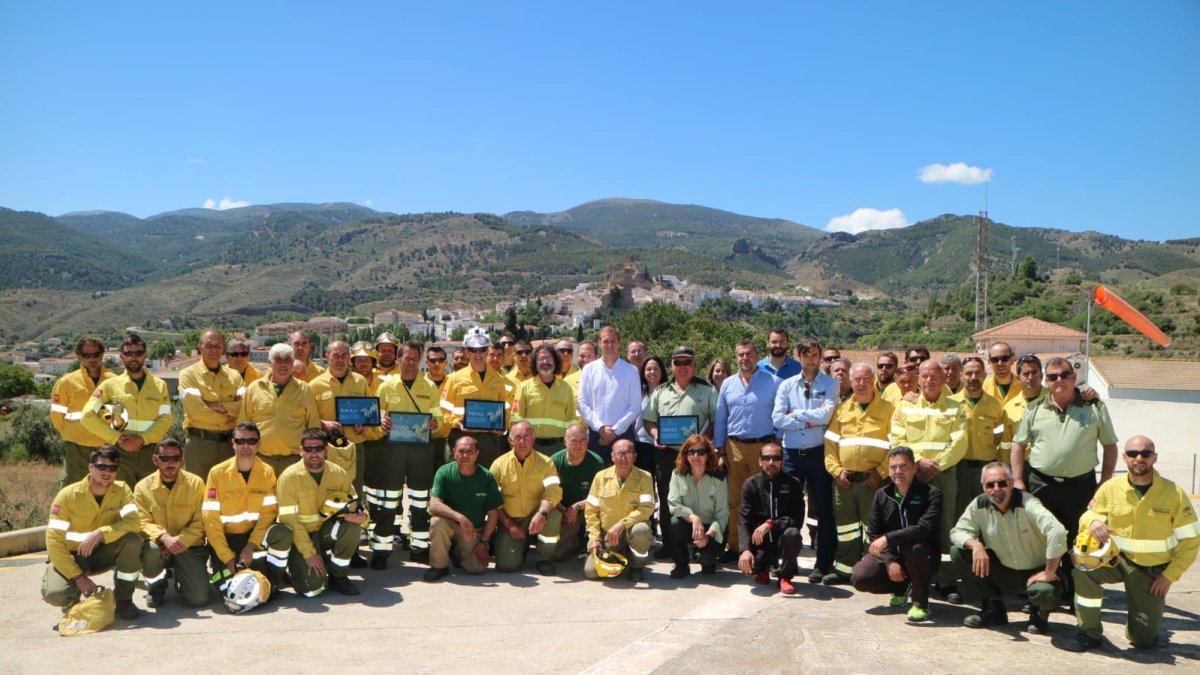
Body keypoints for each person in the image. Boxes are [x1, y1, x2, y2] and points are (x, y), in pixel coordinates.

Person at [1065, 435, 1199, 652]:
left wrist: (1169, 576)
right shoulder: (1110, 488)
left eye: (1145, 453)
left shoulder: (1174, 493)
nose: (1139, 458)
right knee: (1083, 570)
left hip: (1151, 570)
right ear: (1125, 457)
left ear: (1154, 457)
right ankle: (1088, 632)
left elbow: (1191, 539)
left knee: (1144, 641)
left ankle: (1138, 624)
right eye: (1133, 453)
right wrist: (1094, 522)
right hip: (1115, 560)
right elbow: (1088, 515)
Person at [1011, 357, 1118, 591]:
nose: (1059, 380)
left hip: (1080, 486)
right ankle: (1039, 593)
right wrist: (1018, 479)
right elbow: (1018, 445)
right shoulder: (1034, 408)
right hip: (1041, 484)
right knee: (1039, 538)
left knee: (1078, 540)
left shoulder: (1094, 407)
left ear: (1073, 377)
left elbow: (1110, 446)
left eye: (1064, 374)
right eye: (1052, 376)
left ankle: (1073, 593)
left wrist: (1104, 484)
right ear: (1046, 381)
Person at [950, 461, 1066, 633]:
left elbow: (1057, 530)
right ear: (983, 486)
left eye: (1002, 483)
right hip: (1003, 571)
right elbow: (957, 532)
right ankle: (993, 609)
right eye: (990, 484)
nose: (996, 488)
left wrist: (1049, 572)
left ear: (1011, 483)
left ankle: (1039, 613)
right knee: (958, 552)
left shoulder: (1028, 503)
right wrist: (975, 545)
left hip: (1035, 573)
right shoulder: (979, 504)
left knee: (1045, 592)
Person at [889, 358, 968, 600]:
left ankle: (946, 581)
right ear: (918, 379)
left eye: (934, 376)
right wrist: (918, 463)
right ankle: (911, 579)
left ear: (944, 379)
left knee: (945, 527)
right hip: (912, 476)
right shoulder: (904, 407)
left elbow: (960, 442)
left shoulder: (956, 408)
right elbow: (897, 439)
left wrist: (937, 465)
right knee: (910, 526)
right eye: (924, 376)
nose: (929, 380)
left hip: (943, 475)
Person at [42, 446, 143, 620]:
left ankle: (124, 600)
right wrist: (79, 577)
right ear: (90, 467)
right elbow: (54, 542)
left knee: (132, 541)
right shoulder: (67, 496)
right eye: (101, 466)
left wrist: (101, 533)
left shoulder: (122, 491)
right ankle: (71, 600)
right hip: (73, 557)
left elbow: (134, 522)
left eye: (112, 468)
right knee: (55, 594)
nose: (107, 472)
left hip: (102, 554)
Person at [268, 428, 368, 597]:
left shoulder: (338, 473)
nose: (313, 454)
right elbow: (290, 520)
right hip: (300, 537)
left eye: (319, 448)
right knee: (312, 590)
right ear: (301, 451)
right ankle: (294, 566)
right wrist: (309, 554)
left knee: (352, 526)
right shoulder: (289, 477)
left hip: (323, 533)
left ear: (326, 450)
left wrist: (363, 517)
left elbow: (355, 503)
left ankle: (338, 576)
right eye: (308, 449)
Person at [771, 336, 837, 583]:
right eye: (805, 355)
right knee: (787, 509)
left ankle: (822, 564)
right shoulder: (787, 385)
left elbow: (826, 415)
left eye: (814, 354)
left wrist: (796, 414)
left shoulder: (830, 384)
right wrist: (810, 419)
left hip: (818, 453)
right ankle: (789, 562)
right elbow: (778, 419)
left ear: (820, 357)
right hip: (791, 455)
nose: (810, 359)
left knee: (824, 510)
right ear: (798, 357)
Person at [851, 446, 942, 622]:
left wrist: (888, 538)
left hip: (923, 555)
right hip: (893, 553)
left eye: (903, 466)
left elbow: (924, 528)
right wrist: (889, 561)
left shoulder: (932, 494)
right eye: (893, 467)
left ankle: (921, 603)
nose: (898, 471)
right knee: (860, 577)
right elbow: (874, 532)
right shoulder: (882, 494)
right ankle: (901, 587)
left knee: (915, 548)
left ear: (915, 468)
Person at [374, 340, 444, 568]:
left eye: (415, 358)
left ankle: (419, 549)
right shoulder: (386, 386)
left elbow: (439, 417)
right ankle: (381, 550)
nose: (411, 362)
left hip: (421, 452)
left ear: (420, 359)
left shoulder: (429, 387)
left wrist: (436, 423)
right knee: (387, 502)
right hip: (392, 451)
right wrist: (381, 424)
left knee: (420, 502)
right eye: (407, 357)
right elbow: (377, 419)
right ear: (399, 359)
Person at [823, 363, 893, 584]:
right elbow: (830, 445)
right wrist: (837, 471)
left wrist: (881, 472)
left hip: (874, 482)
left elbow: (896, 445)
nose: (861, 384)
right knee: (846, 529)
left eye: (866, 379)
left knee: (873, 528)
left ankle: (872, 570)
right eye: (857, 379)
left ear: (873, 381)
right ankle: (845, 569)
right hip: (845, 482)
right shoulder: (841, 410)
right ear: (851, 382)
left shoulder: (888, 409)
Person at [644, 346, 717, 559]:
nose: (682, 367)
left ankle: (698, 544)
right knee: (667, 499)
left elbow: (716, 420)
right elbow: (648, 420)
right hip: (667, 454)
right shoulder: (661, 391)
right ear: (672, 365)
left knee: (697, 499)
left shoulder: (708, 390)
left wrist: (704, 442)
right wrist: (656, 434)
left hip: (697, 455)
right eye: (678, 362)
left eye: (687, 362)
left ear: (694, 365)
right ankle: (669, 544)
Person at [713, 339, 780, 563]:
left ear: (757, 356)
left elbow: (780, 415)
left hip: (764, 448)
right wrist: (720, 451)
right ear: (736, 357)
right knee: (736, 500)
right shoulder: (728, 384)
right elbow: (721, 418)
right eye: (741, 354)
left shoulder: (773, 382)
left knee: (765, 500)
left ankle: (766, 550)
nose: (745, 358)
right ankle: (736, 547)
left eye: (749, 354)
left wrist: (777, 447)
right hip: (734, 448)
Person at [202, 422, 285, 596]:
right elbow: (211, 520)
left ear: (259, 444)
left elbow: (268, 514)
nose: (246, 446)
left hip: (253, 538)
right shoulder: (217, 473)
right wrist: (227, 557)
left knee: (282, 534)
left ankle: (274, 580)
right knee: (230, 591)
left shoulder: (267, 472)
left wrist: (251, 546)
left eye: (251, 441)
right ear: (233, 443)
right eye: (240, 441)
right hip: (225, 540)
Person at [80, 333, 173, 486]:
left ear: (145, 354)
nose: (133, 357)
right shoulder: (110, 385)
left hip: (151, 453)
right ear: (121, 356)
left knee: (150, 496)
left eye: (138, 353)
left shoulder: (159, 385)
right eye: (128, 353)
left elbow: (166, 419)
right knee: (122, 497)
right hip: (120, 453)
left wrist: (142, 439)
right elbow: (87, 416)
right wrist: (118, 438)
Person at [133, 438, 211, 608]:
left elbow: (201, 521)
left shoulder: (196, 483)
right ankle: (156, 586)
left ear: (182, 460)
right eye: (164, 458)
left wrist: (178, 542)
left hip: (188, 546)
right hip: (159, 545)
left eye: (175, 458)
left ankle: (182, 580)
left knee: (198, 599)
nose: (170, 463)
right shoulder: (142, 487)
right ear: (155, 460)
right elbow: (142, 522)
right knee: (151, 551)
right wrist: (164, 538)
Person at [237, 342, 323, 477]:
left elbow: (313, 426)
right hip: (260, 458)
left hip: (294, 460)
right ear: (269, 362)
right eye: (278, 359)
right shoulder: (254, 388)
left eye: (288, 360)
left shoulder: (305, 389)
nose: (283, 364)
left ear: (293, 363)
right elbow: (243, 425)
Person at [490, 421, 563, 575]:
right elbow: (493, 500)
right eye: (518, 437)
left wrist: (542, 514)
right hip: (512, 519)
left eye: (527, 437)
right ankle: (522, 546)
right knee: (506, 566)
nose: (522, 442)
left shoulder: (546, 463)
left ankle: (544, 558)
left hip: (537, 514)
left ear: (534, 439)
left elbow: (554, 492)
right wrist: (509, 524)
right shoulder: (498, 465)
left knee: (554, 515)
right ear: (510, 440)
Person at [425, 436, 503, 581]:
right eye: (461, 451)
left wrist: (484, 542)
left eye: (469, 451)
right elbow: (434, 504)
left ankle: (456, 552)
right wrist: (460, 517)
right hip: (450, 523)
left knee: (478, 569)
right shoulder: (444, 472)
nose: (465, 455)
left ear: (477, 454)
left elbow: (493, 513)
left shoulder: (486, 477)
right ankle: (439, 566)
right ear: (454, 452)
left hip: (473, 529)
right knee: (437, 522)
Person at [583, 439, 655, 582]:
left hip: (631, 531)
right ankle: (618, 558)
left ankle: (636, 566)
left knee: (641, 531)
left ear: (635, 456)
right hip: (609, 536)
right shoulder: (600, 477)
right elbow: (591, 511)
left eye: (628, 453)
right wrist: (594, 538)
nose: (623, 458)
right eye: (619, 453)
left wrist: (622, 524)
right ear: (612, 456)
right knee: (591, 572)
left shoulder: (645, 477)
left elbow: (646, 508)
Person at [309, 340, 370, 507]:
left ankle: (353, 521)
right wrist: (322, 424)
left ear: (349, 357)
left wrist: (364, 424)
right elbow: (308, 417)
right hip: (327, 448)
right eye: (336, 355)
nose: (340, 359)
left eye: (344, 355)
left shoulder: (360, 382)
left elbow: (369, 411)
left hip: (354, 447)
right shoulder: (314, 385)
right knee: (326, 491)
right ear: (326, 356)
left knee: (354, 491)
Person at [737, 443, 804, 593]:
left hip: (782, 539)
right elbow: (744, 519)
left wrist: (771, 524)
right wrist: (744, 550)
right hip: (760, 541)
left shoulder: (792, 484)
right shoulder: (750, 484)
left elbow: (797, 519)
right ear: (760, 461)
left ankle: (785, 577)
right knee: (750, 567)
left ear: (782, 462)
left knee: (793, 534)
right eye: (766, 458)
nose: (771, 462)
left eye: (776, 458)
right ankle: (762, 569)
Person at [178, 329, 244, 482]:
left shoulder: (234, 376)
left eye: (218, 346)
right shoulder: (188, 375)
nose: (214, 350)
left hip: (229, 445)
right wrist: (229, 411)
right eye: (209, 346)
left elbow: (244, 408)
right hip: (200, 445)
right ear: (200, 347)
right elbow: (196, 412)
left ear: (223, 348)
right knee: (199, 489)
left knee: (228, 491)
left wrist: (216, 406)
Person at [440, 327, 512, 467]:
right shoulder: (454, 379)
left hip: (489, 442)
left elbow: (506, 411)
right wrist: (457, 422)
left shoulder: (498, 380)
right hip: (461, 439)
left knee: (488, 478)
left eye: (482, 349)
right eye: (473, 350)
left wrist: (502, 426)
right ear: (467, 352)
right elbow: (443, 411)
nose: (478, 354)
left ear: (487, 351)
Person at [50, 335, 114, 487]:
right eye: (86, 355)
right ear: (79, 356)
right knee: (73, 487)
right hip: (76, 446)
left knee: (105, 487)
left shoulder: (114, 381)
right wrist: (69, 434)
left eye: (96, 354)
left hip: (105, 445)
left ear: (102, 355)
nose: (92, 359)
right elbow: (57, 415)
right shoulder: (66, 382)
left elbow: (118, 416)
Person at [951, 356, 1007, 515]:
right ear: (961, 375)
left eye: (977, 373)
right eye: (969, 373)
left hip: (986, 469)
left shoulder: (995, 405)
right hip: (958, 469)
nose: (973, 377)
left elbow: (999, 436)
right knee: (958, 513)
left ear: (984, 375)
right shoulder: (950, 404)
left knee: (987, 513)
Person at [667, 435, 728, 579]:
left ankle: (707, 562)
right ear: (685, 454)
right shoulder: (677, 474)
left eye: (700, 452)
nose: (696, 456)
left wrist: (708, 535)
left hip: (711, 529)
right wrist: (693, 518)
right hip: (689, 523)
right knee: (674, 522)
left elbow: (722, 515)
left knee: (705, 561)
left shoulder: (719, 478)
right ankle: (681, 565)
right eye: (691, 451)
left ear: (708, 454)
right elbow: (673, 504)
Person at [577, 326, 641, 463]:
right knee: (596, 474)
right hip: (596, 436)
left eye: (613, 341)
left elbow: (635, 407)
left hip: (623, 435)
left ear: (619, 343)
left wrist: (615, 431)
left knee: (623, 475)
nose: (609, 345)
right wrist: (600, 428)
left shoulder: (631, 371)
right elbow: (582, 403)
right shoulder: (588, 370)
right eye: (606, 341)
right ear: (599, 343)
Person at [549, 423, 605, 561]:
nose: (578, 445)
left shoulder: (597, 463)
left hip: (587, 508)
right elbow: (548, 492)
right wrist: (563, 510)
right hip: (561, 509)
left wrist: (577, 507)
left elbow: (600, 495)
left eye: (582, 441)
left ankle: (588, 540)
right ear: (565, 441)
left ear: (588, 441)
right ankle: (576, 542)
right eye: (573, 441)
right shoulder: (554, 461)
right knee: (557, 555)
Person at [511, 344, 578, 454]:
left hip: (559, 447)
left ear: (555, 362)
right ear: (534, 363)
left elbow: (571, 421)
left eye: (549, 358)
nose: (545, 362)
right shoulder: (524, 387)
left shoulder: (566, 388)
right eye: (541, 358)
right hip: (531, 446)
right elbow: (516, 419)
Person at [634, 354, 667, 474]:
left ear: (662, 372)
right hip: (642, 443)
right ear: (643, 373)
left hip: (665, 445)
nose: (652, 372)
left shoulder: (670, 393)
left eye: (656, 369)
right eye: (648, 369)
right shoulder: (637, 393)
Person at [982, 342, 1021, 406]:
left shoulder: (1023, 387)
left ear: (1012, 360)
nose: (1000, 363)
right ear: (989, 362)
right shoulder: (983, 389)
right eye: (995, 359)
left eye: (1004, 359)